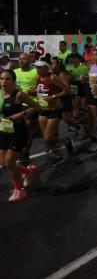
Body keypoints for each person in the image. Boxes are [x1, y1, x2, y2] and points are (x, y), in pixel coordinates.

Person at [0, 69, 40, 202]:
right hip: (4, 131)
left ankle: (19, 191)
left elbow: (35, 106)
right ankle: (28, 171)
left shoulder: (19, 95)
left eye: (7, 79)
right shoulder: (0, 94)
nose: (4, 82)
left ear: (13, 81)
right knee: (4, 164)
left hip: (19, 131)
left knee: (9, 162)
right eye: (2, 79)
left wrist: (21, 114)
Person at [34, 60, 69, 166]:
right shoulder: (38, 77)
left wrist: (53, 97)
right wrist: (32, 91)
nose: (37, 70)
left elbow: (66, 90)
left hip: (54, 110)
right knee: (47, 137)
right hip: (42, 109)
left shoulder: (53, 78)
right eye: (37, 68)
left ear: (46, 68)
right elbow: (39, 90)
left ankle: (64, 142)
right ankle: (57, 153)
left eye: (39, 68)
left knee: (47, 137)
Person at [14, 53, 38, 165]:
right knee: (17, 129)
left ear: (29, 60)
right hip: (17, 104)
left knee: (27, 126)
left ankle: (25, 152)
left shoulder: (35, 72)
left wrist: (35, 91)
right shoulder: (15, 72)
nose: (21, 61)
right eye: (19, 59)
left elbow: (42, 85)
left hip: (30, 103)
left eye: (23, 59)